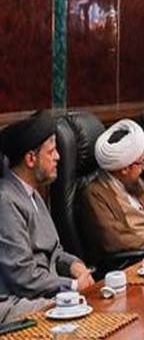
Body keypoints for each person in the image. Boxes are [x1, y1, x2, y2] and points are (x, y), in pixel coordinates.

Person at [0, 110, 93, 298]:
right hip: (19, 302)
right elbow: (23, 278)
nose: (58, 157)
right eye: (51, 151)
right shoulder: (5, 201)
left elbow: (53, 252)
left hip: (48, 293)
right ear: (31, 159)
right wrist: (73, 285)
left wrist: (74, 266)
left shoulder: (33, 194)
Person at [81, 119, 144, 257]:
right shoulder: (95, 194)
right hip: (136, 260)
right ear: (124, 169)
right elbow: (114, 238)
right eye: (140, 162)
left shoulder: (136, 183)